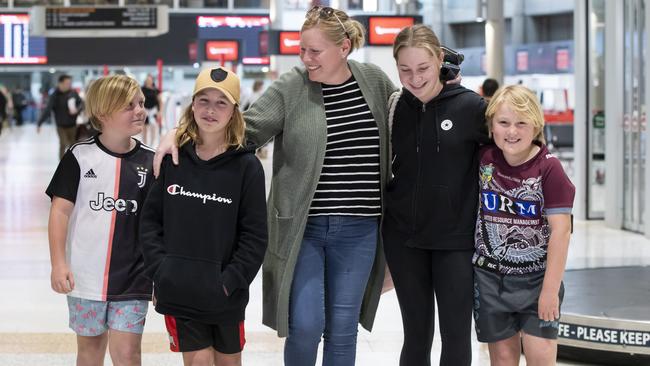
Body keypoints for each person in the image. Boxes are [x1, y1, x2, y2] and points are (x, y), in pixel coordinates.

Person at [154, 6, 397, 366]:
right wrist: (178, 131)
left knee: (344, 329)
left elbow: (406, 130)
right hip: (303, 231)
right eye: (302, 49)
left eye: (315, 51)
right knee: (305, 325)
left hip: (360, 230)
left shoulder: (374, 82)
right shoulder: (292, 87)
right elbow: (240, 130)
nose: (305, 58)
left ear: (344, 47)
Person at [139, 66, 267, 366]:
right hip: (180, 290)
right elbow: (149, 223)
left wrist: (230, 281)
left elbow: (255, 235)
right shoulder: (173, 158)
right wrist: (163, 272)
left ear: (234, 111)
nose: (211, 110)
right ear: (192, 105)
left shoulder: (247, 167)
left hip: (225, 294)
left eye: (221, 102)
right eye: (204, 101)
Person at [382, 24, 490, 366]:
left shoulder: (472, 108)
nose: (414, 78)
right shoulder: (395, 109)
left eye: (423, 69)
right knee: (415, 334)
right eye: (405, 70)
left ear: (440, 59)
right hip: (404, 239)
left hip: (455, 241)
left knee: (456, 335)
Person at [45, 75, 154, 366]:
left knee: (128, 354)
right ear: (103, 113)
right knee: (90, 352)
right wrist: (58, 263)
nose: (140, 110)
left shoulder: (151, 162)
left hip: (134, 277)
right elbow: (59, 212)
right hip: (86, 278)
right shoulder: (79, 157)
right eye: (129, 105)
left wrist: (161, 272)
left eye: (141, 103)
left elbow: (158, 225)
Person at [473, 85, 574, 365]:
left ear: (536, 125)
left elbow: (561, 232)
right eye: (503, 123)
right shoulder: (484, 160)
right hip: (490, 280)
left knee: (541, 359)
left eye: (521, 123)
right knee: (502, 361)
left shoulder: (549, 169)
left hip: (536, 281)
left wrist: (550, 291)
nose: (512, 131)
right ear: (491, 126)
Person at [37, 74, 84, 159]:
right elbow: (48, 110)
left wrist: (77, 110)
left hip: (73, 125)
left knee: (73, 145)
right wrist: (40, 123)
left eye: (70, 83)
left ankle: (74, 163)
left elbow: (81, 104)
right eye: (67, 83)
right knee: (63, 143)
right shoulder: (54, 95)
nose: (69, 85)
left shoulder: (73, 93)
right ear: (60, 83)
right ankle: (62, 165)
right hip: (61, 125)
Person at [141, 74, 163, 146]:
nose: (149, 81)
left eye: (150, 79)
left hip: (153, 110)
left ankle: (152, 144)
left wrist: (160, 111)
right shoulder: (142, 89)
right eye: (147, 79)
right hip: (145, 110)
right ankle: (145, 144)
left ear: (152, 80)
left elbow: (160, 101)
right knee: (144, 128)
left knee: (153, 127)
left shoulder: (156, 90)